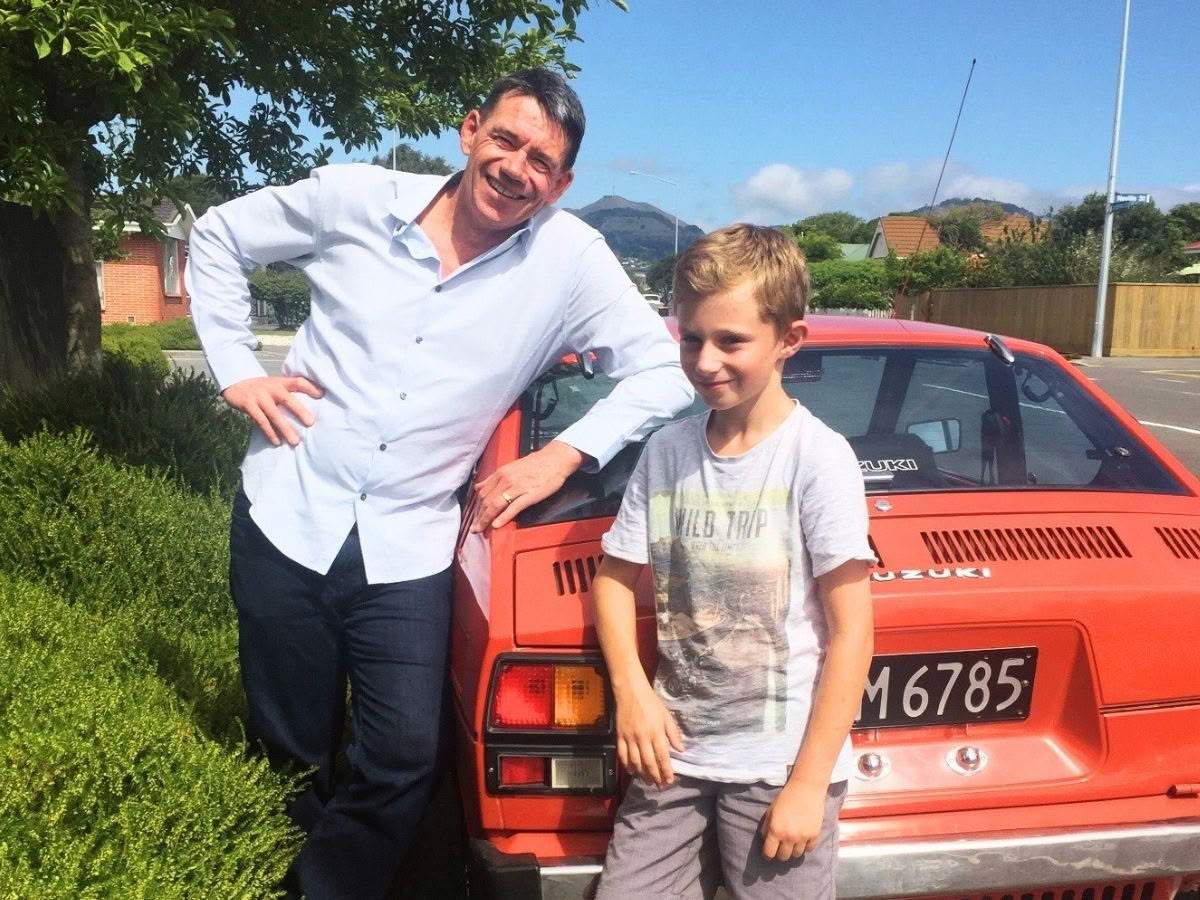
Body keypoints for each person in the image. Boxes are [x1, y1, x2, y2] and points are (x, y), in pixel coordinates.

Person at [184, 68, 693, 899]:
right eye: (506, 140)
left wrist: (563, 454)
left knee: (403, 756)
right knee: (289, 746)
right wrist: (237, 371)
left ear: (561, 185)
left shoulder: (571, 259)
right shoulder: (354, 197)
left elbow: (666, 374)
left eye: (542, 162)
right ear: (469, 131)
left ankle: (319, 890)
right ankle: (275, 871)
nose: (516, 168)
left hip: (409, 543)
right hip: (286, 510)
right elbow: (215, 237)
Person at [592, 224, 875, 900]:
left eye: (732, 341)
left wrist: (808, 786)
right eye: (692, 339)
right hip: (673, 760)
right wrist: (632, 694)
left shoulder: (819, 457)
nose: (706, 361)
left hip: (778, 769)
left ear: (790, 341)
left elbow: (853, 633)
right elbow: (610, 580)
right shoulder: (666, 452)